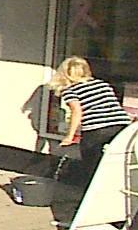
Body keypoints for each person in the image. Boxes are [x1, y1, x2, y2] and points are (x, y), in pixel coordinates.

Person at [54, 56, 132, 190]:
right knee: (118, 160)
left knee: (92, 164)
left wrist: (69, 136)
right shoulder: (102, 84)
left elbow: (77, 112)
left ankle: (94, 192)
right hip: (122, 125)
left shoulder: (70, 90)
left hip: (97, 129)